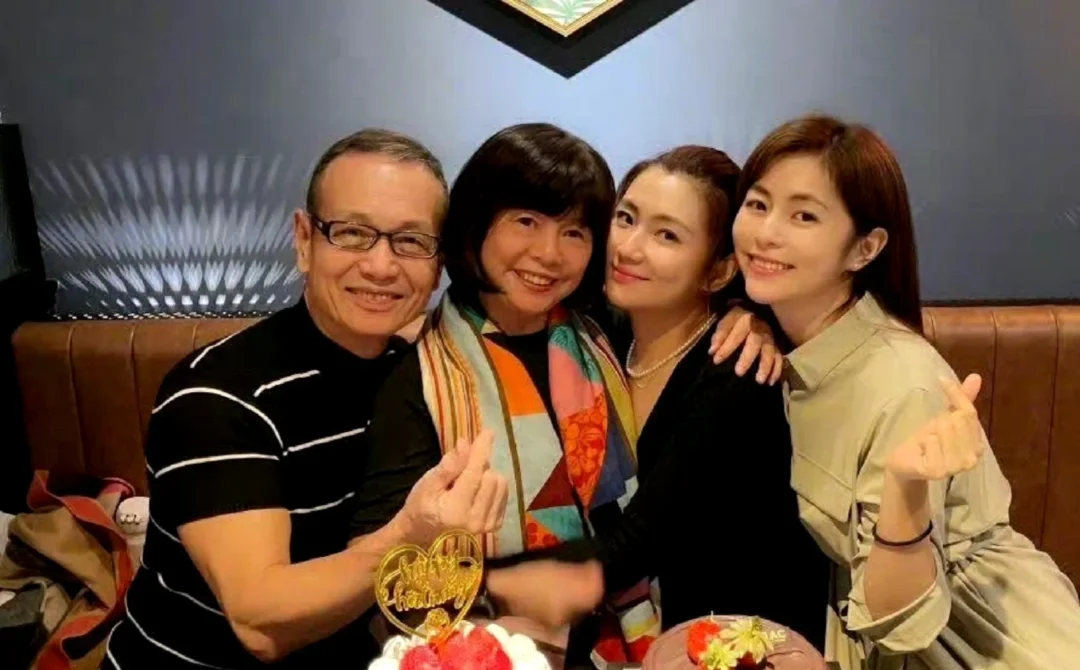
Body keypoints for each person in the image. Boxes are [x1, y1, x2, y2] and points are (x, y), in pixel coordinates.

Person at [349, 124, 781, 665]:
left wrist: (753, 315)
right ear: (477, 220)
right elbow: (388, 571)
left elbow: (638, 542)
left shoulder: (600, 339)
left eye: (575, 231)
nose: (550, 254)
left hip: (692, 639)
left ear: (717, 270)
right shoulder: (426, 377)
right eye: (526, 221)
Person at [104, 130, 508, 669]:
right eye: (353, 233)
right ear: (303, 240)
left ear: (438, 264)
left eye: (411, 241)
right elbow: (261, 624)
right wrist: (409, 535)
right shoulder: (219, 396)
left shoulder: (420, 375)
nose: (381, 266)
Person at [729, 114, 1080, 668]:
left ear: (864, 250)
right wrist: (742, 315)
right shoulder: (786, 339)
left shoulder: (900, 383)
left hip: (978, 637)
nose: (766, 232)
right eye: (758, 203)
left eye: (804, 215)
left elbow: (903, 624)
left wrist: (904, 490)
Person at [483, 146, 829, 654]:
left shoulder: (736, 376)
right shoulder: (599, 338)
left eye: (667, 235)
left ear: (717, 272)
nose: (628, 248)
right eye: (626, 218)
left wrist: (474, 581)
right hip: (646, 631)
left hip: (730, 649)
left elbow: (631, 547)